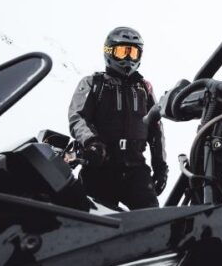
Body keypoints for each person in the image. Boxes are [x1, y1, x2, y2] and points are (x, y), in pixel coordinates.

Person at [68, 26, 168, 210]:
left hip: (136, 168)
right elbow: (78, 117)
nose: (128, 58)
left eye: (134, 52)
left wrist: (160, 166)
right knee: (95, 225)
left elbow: (156, 128)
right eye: (123, 52)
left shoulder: (144, 88)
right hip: (100, 167)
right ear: (109, 52)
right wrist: (92, 142)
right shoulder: (93, 83)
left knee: (152, 222)